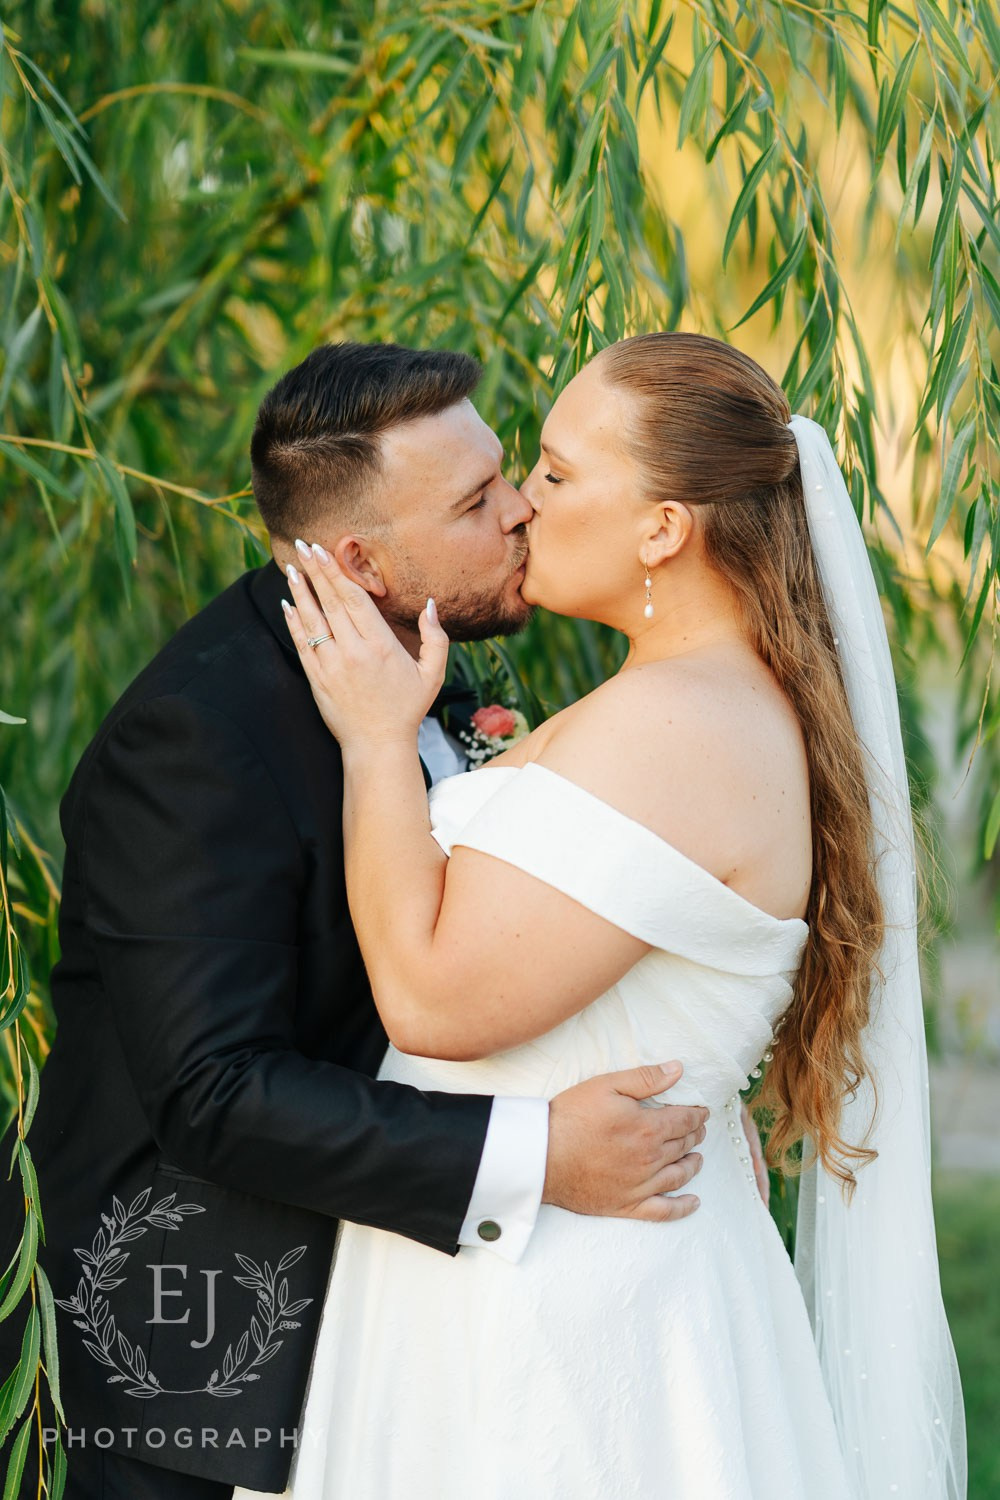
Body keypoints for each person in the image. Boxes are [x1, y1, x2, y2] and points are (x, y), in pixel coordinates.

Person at [0, 343, 713, 1499]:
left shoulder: (416, 666)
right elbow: (213, 1092)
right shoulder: (196, 743)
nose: (523, 509)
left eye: (507, 473)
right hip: (193, 1374)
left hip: (393, 1327)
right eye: (478, 502)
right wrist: (541, 1155)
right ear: (360, 560)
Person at [265, 331, 966, 1499]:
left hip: (566, 1318)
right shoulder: (689, 703)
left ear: (662, 529)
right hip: (543, 1262)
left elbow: (434, 999)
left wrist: (381, 740)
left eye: (554, 472)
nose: (525, 509)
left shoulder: (676, 726)